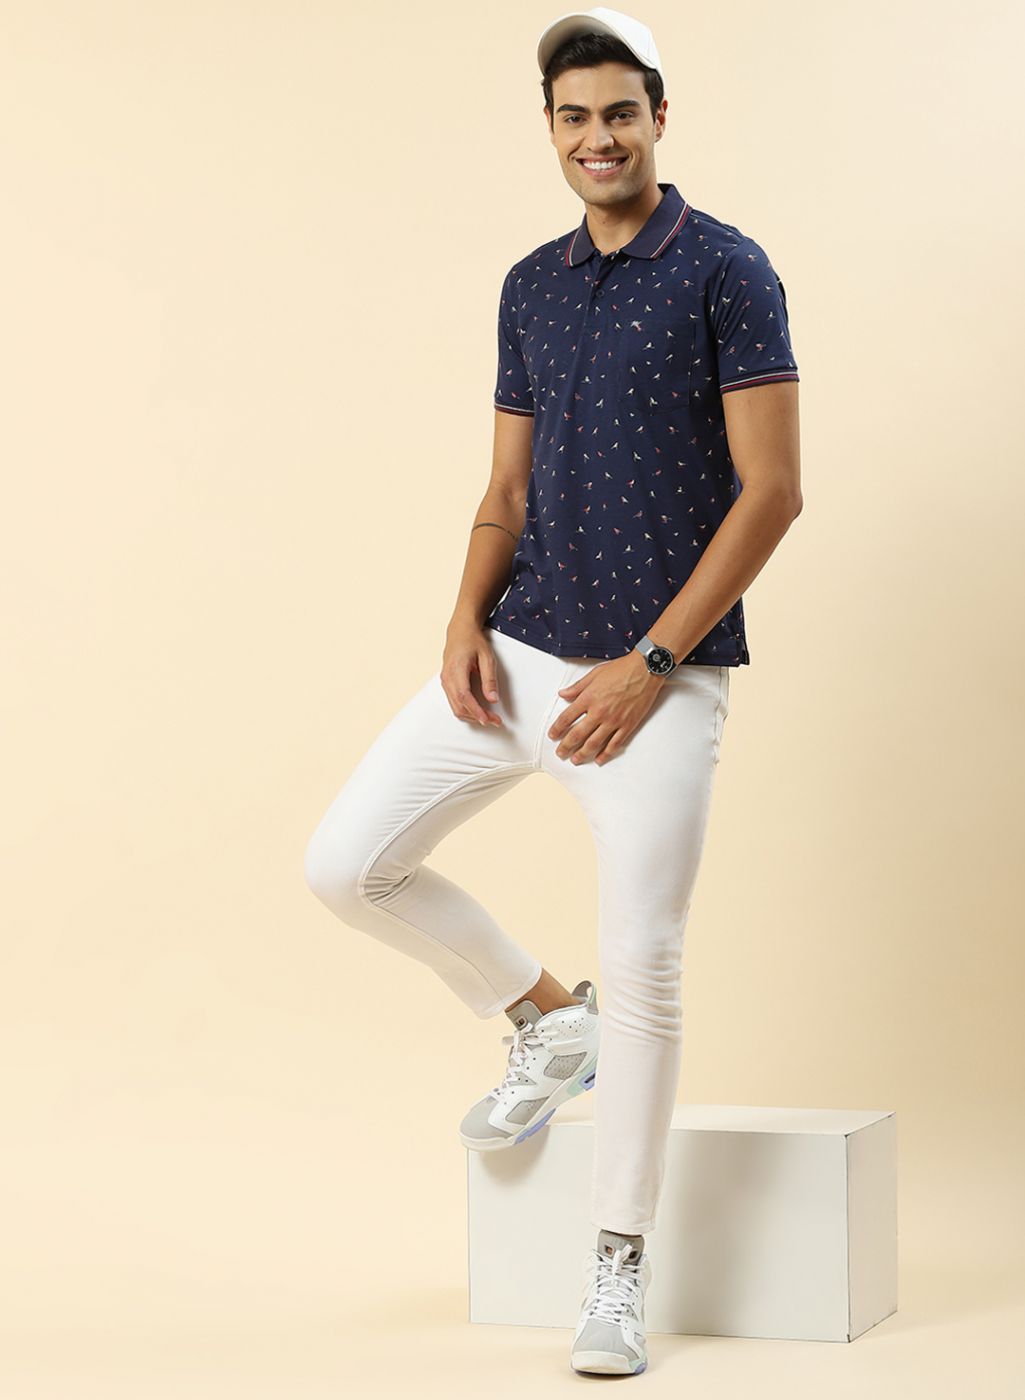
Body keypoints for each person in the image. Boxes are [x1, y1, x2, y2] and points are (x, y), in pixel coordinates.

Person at [304, 4, 802, 1378]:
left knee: (646, 965)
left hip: (655, 680)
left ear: (658, 118)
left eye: (620, 113)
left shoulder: (727, 270)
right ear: (550, 129)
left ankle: (616, 1266)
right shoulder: (530, 283)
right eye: (574, 117)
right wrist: (462, 618)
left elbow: (772, 491)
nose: (598, 138)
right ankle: (540, 1015)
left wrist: (652, 666)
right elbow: (506, 487)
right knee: (345, 864)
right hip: (519, 650)